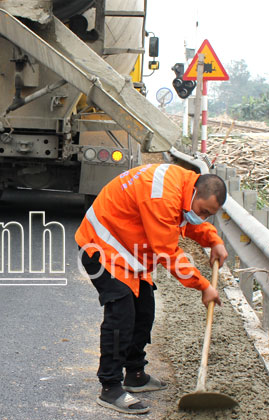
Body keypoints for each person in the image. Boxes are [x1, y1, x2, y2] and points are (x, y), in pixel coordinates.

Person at [75, 164, 228, 414]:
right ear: (195, 193)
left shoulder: (183, 188)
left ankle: (134, 374)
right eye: (203, 211)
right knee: (121, 316)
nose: (203, 218)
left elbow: (186, 221)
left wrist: (214, 240)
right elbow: (167, 252)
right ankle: (110, 387)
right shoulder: (161, 195)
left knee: (144, 311)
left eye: (209, 215)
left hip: (128, 252)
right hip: (101, 248)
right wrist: (204, 286)